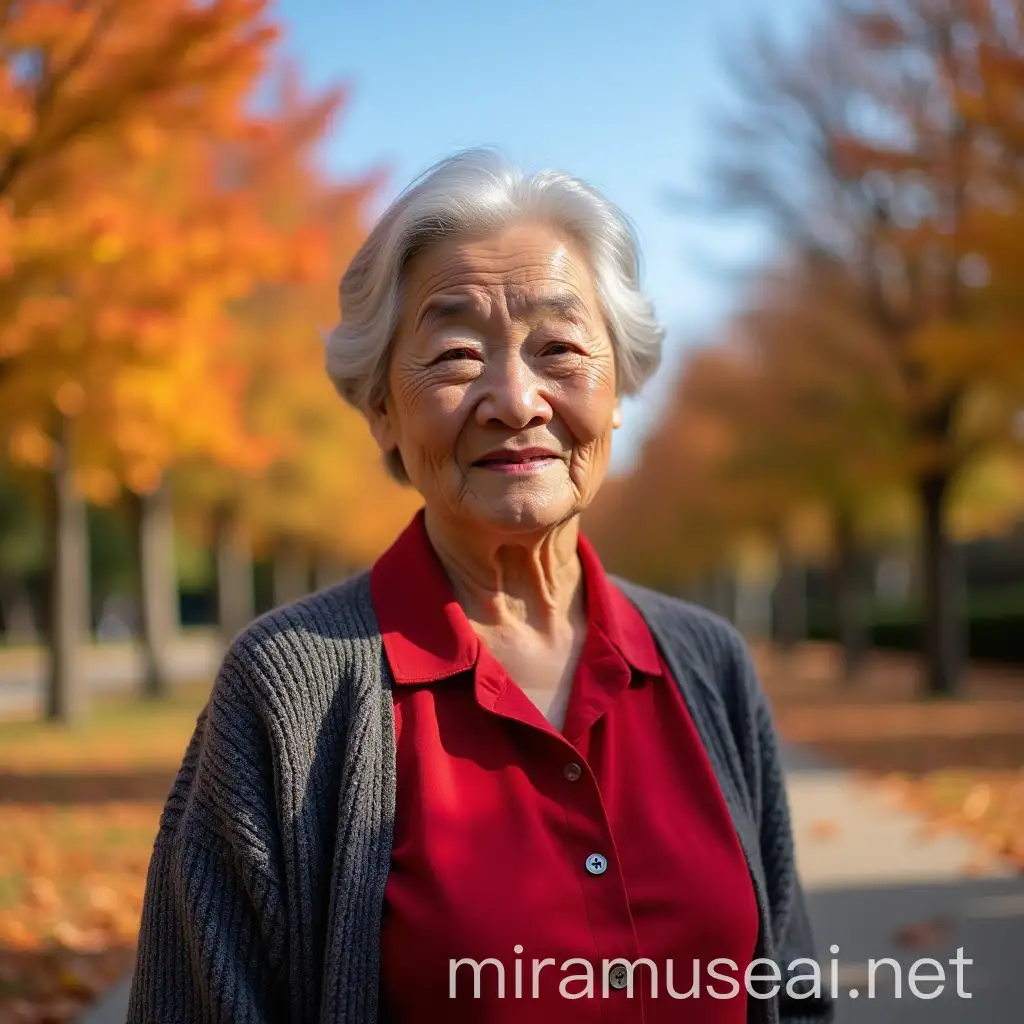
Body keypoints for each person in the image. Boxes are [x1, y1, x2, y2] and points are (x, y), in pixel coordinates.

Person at [127, 148, 833, 1024]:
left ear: (618, 391)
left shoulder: (707, 664)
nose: (515, 398)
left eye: (561, 347)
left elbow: (792, 994)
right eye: (457, 352)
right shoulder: (287, 692)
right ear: (382, 407)